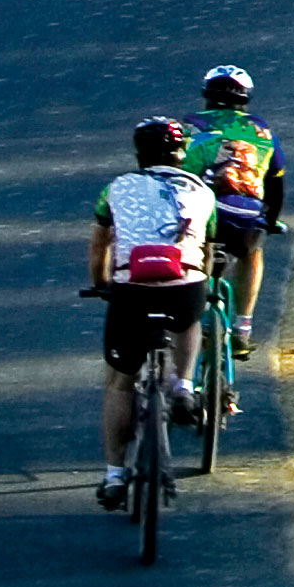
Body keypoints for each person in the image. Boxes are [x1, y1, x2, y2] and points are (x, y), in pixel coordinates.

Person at [87, 116, 213, 508]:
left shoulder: (115, 188)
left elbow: (99, 246)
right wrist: (200, 280)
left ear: (138, 152)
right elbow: (208, 247)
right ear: (181, 154)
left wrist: (102, 283)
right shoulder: (202, 190)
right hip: (184, 286)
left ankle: (114, 475)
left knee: (120, 383)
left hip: (131, 289)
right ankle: (183, 385)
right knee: (191, 317)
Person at [181, 66, 283, 333]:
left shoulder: (189, 125)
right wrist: (270, 220)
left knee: (190, 254)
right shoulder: (261, 130)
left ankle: (192, 319)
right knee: (252, 252)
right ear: (246, 97)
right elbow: (275, 182)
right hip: (244, 215)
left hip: (198, 213)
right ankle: (243, 326)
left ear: (206, 94)